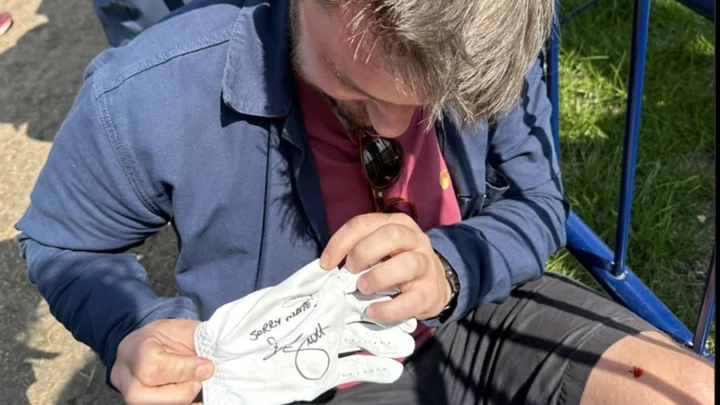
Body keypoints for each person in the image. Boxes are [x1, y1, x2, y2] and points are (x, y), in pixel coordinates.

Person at [15, 0, 714, 404]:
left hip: (475, 311)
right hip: (286, 371)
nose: (392, 129)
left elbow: (536, 202)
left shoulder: (493, 29)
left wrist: (452, 264)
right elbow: (63, 239)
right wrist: (132, 326)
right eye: (355, 88)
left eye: (439, 102)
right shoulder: (149, 92)